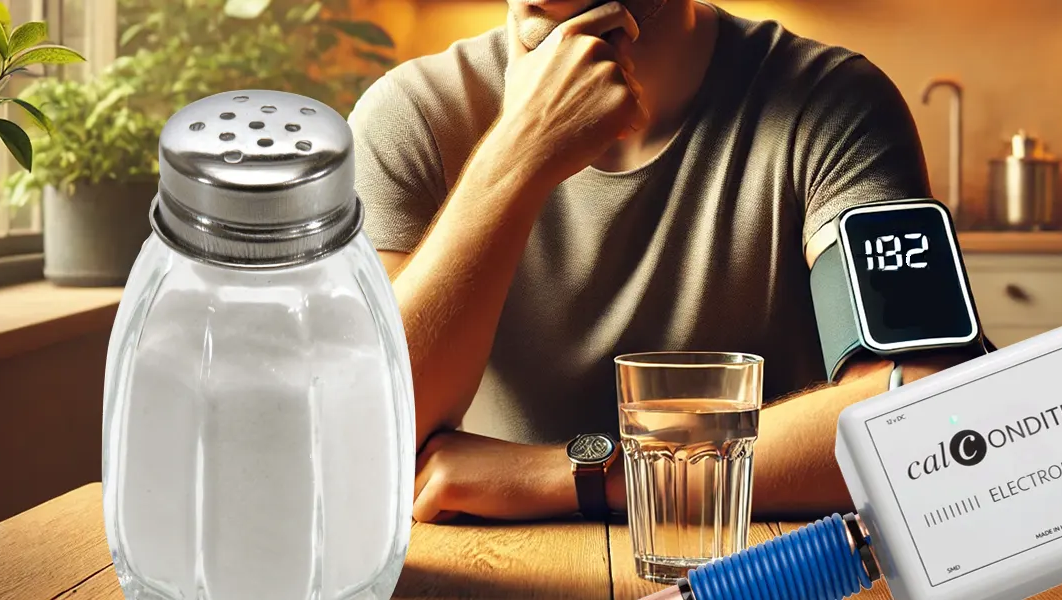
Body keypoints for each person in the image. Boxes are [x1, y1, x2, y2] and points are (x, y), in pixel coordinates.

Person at [347, 0, 974, 523]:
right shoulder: (408, 118)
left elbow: (922, 411)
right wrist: (519, 152)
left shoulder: (834, 104)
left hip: (764, 570)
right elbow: (363, 442)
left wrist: (576, 476)